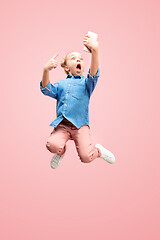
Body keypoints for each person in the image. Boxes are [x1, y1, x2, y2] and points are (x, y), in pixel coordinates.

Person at [40, 33, 116, 169]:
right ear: (67, 67)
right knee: (52, 145)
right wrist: (46, 70)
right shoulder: (61, 85)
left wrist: (95, 51)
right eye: (73, 58)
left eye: (80, 58)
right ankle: (60, 152)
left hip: (80, 126)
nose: (78, 60)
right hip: (63, 125)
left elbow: (94, 73)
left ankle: (98, 151)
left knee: (86, 157)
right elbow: (46, 89)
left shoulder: (87, 84)